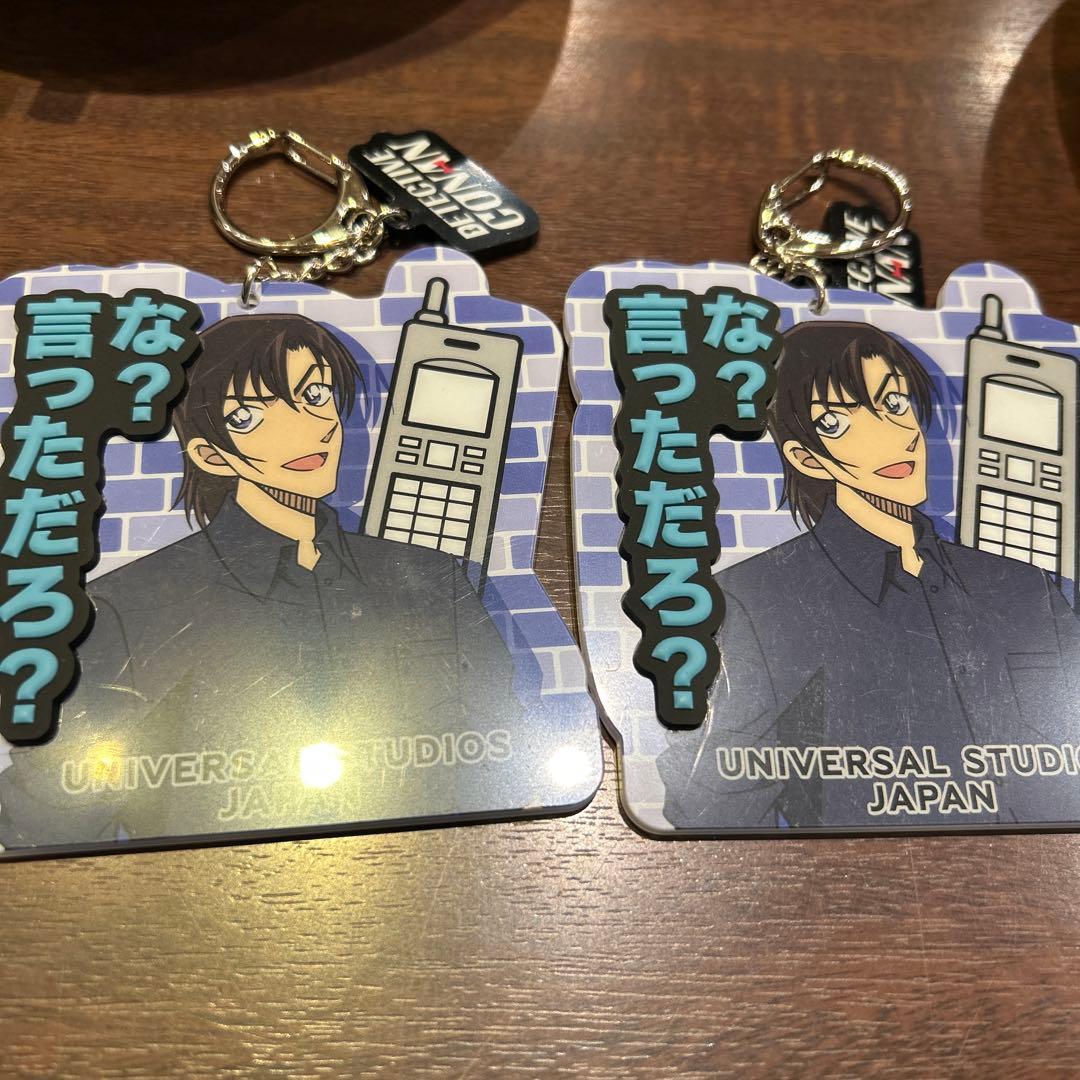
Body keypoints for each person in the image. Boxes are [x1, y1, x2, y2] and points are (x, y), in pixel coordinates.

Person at [0, 314, 526, 848]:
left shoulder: (432, 576)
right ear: (210, 454)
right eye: (249, 415)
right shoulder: (125, 607)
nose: (307, 427)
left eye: (314, 394)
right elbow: (46, 822)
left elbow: (507, 757)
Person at [656, 321, 1080, 829]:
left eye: (894, 403)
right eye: (836, 422)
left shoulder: (1022, 586)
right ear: (807, 458)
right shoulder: (755, 601)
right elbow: (709, 808)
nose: (893, 437)